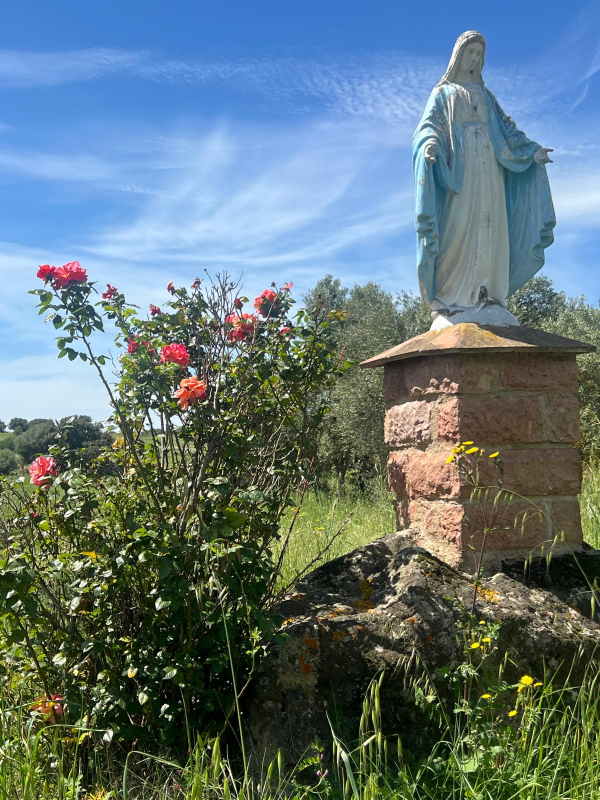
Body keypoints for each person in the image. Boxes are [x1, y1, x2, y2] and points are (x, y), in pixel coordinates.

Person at [413, 31, 556, 328]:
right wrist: (429, 145)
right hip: (460, 171)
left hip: (490, 168)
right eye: (470, 53)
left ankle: (486, 294)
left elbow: (507, 130)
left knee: (489, 226)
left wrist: (532, 152)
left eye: (479, 55)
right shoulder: (443, 93)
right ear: (458, 55)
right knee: (459, 226)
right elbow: (429, 127)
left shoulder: (486, 96)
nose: (474, 59)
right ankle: (454, 296)